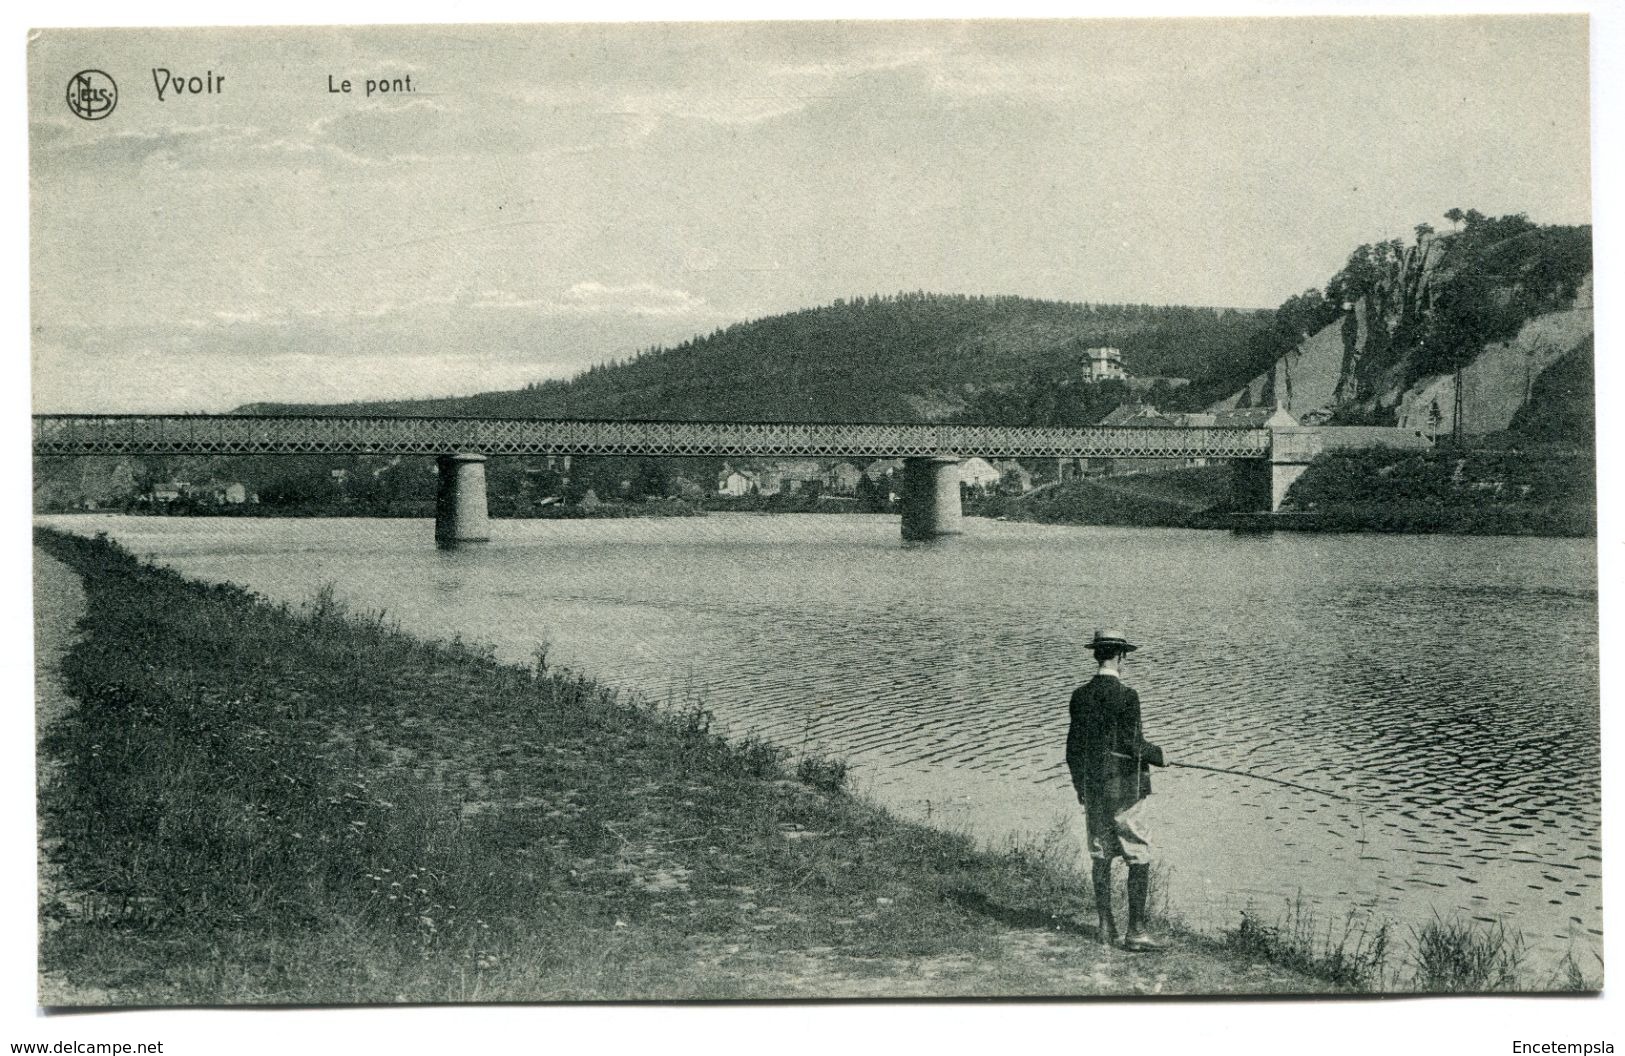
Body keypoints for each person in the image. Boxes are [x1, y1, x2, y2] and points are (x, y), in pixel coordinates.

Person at [1066, 627, 1169, 952]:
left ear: (1097, 655)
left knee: (1101, 853)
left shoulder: (1080, 695)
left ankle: (1105, 927)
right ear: (1121, 656)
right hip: (1126, 790)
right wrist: (1160, 756)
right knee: (1137, 852)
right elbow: (1132, 743)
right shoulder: (1128, 696)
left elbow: (1072, 750)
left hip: (1093, 789)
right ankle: (1136, 932)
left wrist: (1080, 787)